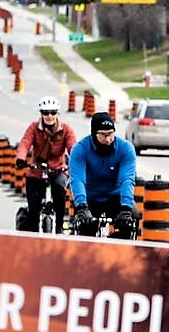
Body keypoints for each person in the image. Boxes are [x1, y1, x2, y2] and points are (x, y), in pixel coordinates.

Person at [68, 111, 138, 237]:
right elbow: (77, 179)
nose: (108, 139)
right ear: (94, 134)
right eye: (103, 135)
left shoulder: (126, 148)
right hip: (90, 198)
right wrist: (82, 206)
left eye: (111, 134)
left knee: (130, 222)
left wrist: (126, 208)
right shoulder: (80, 149)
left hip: (115, 196)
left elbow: (127, 179)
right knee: (84, 229)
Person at [15, 97, 75, 231]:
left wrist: (76, 162)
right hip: (37, 171)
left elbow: (73, 148)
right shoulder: (34, 128)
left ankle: (59, 226)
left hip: (58, 170)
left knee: (59, 190)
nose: (49, 116)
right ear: (41, 114)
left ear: (57, 114)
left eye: (53, 113)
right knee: (33, 207)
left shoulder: (65, 129)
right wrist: (20, 158)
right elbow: (25, 143)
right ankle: (32, 234)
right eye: (46, 113)